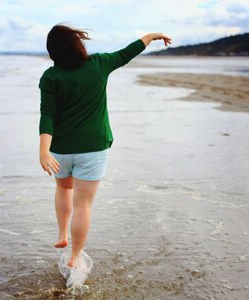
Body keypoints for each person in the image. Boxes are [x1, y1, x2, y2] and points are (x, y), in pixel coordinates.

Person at [38, 23, 171, 268]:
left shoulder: (50, 76)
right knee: (83, 204)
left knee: (64, 189)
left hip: (61, 149)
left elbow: (47, 114)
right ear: (78, 45)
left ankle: (62, 235)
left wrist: (43, 151)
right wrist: (151, 36)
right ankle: (75, 256)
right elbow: (127, 52)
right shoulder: (99, 64)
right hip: (94, 148)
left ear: (53, 51)